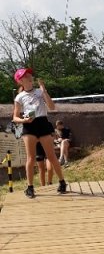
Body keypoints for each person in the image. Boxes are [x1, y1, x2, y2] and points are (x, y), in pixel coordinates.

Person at [12, 68, 67, 198]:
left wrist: (44, 90)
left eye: (29, 74)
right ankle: (30, 187)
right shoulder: (19, 97)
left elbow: (52, 107)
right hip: (29, 125)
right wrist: (24, 120)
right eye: (26, 75)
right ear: (20, 81)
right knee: (31, 158)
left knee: (51, 156)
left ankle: (62, 182)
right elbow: (15, 117)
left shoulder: (39, 92)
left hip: (42, 123)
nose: (29, 76)